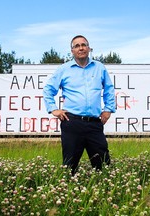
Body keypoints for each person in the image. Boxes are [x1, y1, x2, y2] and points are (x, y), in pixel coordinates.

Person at [43, 35, 116, 175]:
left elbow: (109, 89)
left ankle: (104, 192)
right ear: (72, 51)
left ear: (89, 48)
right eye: (77, 46)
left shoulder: (99, 68)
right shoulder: (64, 69)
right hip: (72, 123)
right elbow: (48, 90)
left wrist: (108, 109)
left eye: (84, 45)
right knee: (69, 165)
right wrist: (53, 109)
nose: (81, 48)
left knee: (103, 165)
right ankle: (68, 193)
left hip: (94, 123)